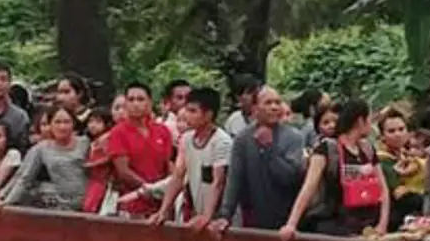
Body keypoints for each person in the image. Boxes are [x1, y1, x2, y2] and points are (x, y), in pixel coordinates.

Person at [281, 98, 390, 241]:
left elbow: (383, 189)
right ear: (360, 121)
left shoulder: (367, 149)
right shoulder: (327, 149)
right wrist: (291, 224)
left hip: (367, 223)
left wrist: (382, 224)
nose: (371, 126)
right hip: (335, 223)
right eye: (369, 120)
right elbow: (309, 187)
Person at [209, 87, 308, 233]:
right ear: (255, 108)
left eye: (277, 102)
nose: (274, 107)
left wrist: (270, 150)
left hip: (286, 218)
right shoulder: (243, 139)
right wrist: (225, 214)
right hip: (253, 216)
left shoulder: (294, 137)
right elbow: (234, 179)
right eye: (268, 103)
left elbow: (291, 178)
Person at [152, 87, 232, 228]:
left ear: (208, 114)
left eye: (193, 111)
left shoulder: (222, 141)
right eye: (187, 110)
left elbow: (218, 182)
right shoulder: (186, 139)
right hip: (198, 210)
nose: (187, 115)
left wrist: (207, 216)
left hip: (220, 216)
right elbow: (178, 176)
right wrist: (163, 210)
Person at [0, 105, 88, 211]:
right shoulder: (42, 148)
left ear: (73, 124)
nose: (62, 127)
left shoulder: (85, 143)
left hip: (87, 201)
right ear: (50, 125)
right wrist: (4, 199)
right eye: (58, 122)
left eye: (67, 122)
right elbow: (23, 177)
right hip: (60, 204)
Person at [107, 83, 176, 217]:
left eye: (140, 99)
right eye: (131, 99)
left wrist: (167, 191)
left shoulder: (163, 131)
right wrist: (150, 189)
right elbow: (124, 172)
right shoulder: (118, 133)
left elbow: (168, 165)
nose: (135, 104)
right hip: (132, 203)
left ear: (149, 102)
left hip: (162, 204)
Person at [376, 108, 427, 224]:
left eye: (401, 129)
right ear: (382, 136)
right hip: (394, 218)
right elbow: (401, 196)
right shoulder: (382, 160)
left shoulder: (408, 157)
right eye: (391, 131)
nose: (398, 134)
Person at [80, 108, 113, 213]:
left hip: (103, 181)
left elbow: (110, 157)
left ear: (107, 124)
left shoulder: (107, 139)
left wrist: (92, 164)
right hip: (94, 180)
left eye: (98, 122)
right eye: (90, 121)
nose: (93, 125)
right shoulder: (94, 141)